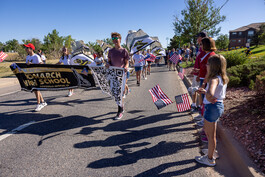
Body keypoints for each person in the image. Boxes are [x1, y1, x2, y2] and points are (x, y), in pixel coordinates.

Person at [195, 54, 229, 166]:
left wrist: (208, 95)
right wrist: (206, 93)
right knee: (209, 132)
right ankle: (212, 152)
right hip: (217, 106)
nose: (206, 65)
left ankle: (209, 159)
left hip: (212, 107)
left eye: (208, 64)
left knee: (210, 135)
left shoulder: (214, 79)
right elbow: (215, 93)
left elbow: (211, 93)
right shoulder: (222, 77)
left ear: (213, 66)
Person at [106, 32, 129, 120]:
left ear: (120, 39)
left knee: (119, 93)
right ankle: (121, 106)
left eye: (116, 39)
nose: (115, 41)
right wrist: (107, 64)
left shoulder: (124, 51)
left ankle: (120, 111)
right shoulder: (110, 51)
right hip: (113, 74)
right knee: (115, 93)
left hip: (122, 74)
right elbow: (108, 61)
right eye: (113, 39)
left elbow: (127, 61)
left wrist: (126, 66)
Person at [24, 43, 47, 112]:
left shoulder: (36, 56)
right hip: (31, 75)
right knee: (35, 90)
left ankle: (38, 104)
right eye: (25, 48)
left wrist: (33, 65)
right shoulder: (28, 57)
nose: (25, 49)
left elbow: (41, 64)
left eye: (27, 48)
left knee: (36, 89)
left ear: (31, 49)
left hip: (37, 75)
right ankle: (43, 102)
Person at [190, 32, 207, 113]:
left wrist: (199, 74)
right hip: (196, 72)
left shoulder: (204, 49)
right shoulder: (199, 48)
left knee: (198, 91)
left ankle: (200, 108)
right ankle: (194, 105)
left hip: (200, 75)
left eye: (198, 37)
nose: (197, 39)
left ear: (202, 37)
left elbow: (204, 64)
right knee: (194, 89)